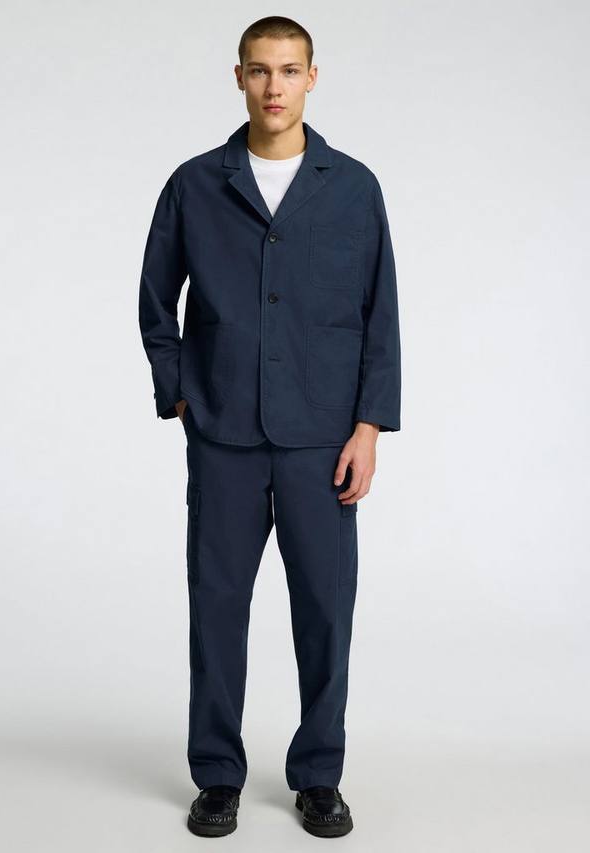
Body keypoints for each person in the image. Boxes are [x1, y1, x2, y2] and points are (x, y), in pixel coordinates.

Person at [138, 15, 401, 839]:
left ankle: (319, 775)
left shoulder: (352, 187)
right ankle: (217, 774)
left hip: (324, 438)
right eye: (260, 70)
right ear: (239, 78)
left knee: (325, 609)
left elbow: (380, 312)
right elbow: (155, 300)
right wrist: (181, 392)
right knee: (216, 606)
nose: (274, 86)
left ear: (313, 77)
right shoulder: (195, 184)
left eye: (289, 70)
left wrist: (369, 426)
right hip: (224, 435)